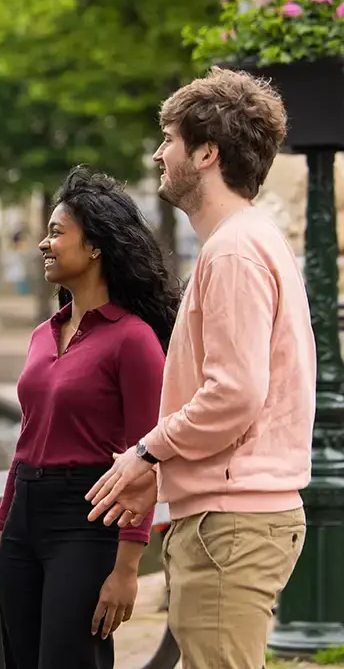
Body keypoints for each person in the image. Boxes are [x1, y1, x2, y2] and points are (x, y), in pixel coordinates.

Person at [87, 67, 315, 668]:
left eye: (169, 140)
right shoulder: (249, 241)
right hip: (233, 516)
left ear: (207, 152)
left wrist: (147, 452)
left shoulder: (235, 251)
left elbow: (236, 394)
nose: (159, 153)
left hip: (232, 523)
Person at [0, 167, 179, 669]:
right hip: (26, 515)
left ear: (94, 247)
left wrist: (128, 568)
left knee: (69, 660)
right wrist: (1, 541)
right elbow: (24, 446)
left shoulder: (133, 339)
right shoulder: (42, 335)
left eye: (56, 232)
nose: (44, 244)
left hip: (87, 520)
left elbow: (145, 460)